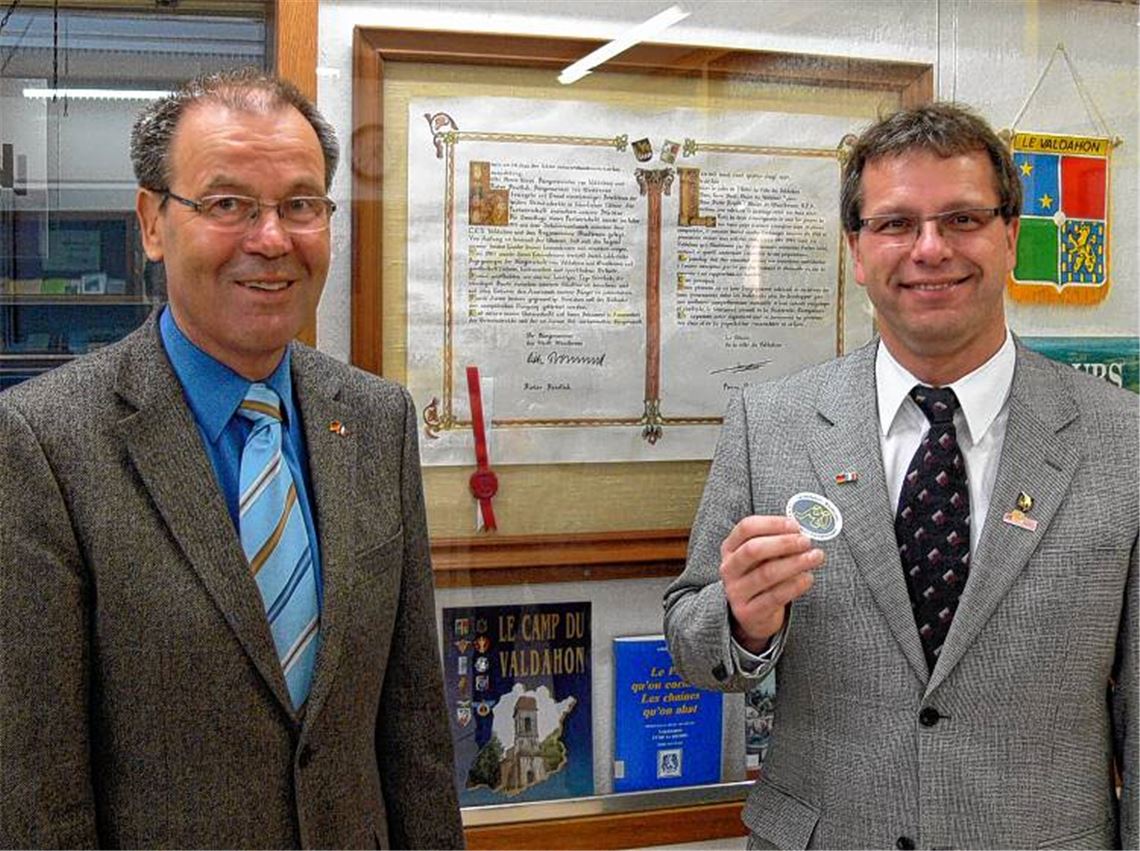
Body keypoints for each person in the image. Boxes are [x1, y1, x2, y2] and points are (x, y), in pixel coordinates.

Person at [0, 68, 464, 849]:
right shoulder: (44, 442)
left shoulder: (377, 420)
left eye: (300, 205)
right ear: (152, 223)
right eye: (227, 205)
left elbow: (413, 724)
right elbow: (36, 786)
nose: (272, 238)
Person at [665, 102, 1136, 849]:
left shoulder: (1124, 441)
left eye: (961, 219)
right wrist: (746, 619)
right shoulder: (770, 422)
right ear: (856, 249)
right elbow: (695, 646)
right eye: (894, 224)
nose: (928, 248)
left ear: (1011, 237)